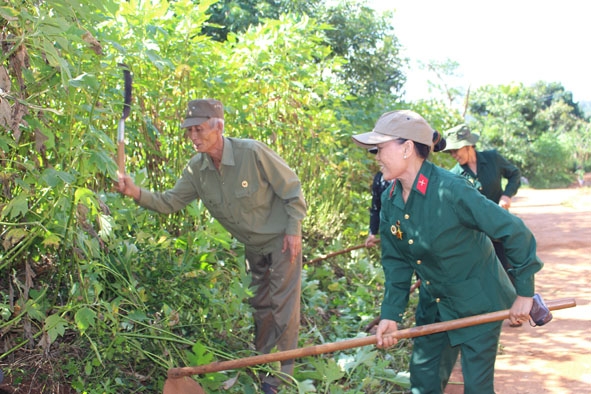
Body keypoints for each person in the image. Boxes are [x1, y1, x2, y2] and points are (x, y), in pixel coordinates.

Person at [115, 99, 307, 394]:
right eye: (189, 131)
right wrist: (134, 191)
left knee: (283, 307)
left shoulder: (251, 152)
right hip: (252, 248)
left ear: (219, 127)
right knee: (260, 307)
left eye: (199, 129)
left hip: (282, 240)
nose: (193, 136)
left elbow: (292, 189)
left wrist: (294, 231)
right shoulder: (197, 169)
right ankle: (263, 362)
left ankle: (282, 378)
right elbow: (171, 202)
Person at [351, 110, 543, 394]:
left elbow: (514, 232)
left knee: (477, 387)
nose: (376, 156)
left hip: (478, 301)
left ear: (406, 149)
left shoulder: (451, 190)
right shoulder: (389, 199)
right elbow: (396, 264)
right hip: (436, 303)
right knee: (423, 380)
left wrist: (524, 294)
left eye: (380, 148)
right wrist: (391, 315)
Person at [442, 124, 521, 273]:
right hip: (476, 237)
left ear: (468, 146)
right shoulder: (454, 176)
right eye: (450, 152)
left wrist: (507, 194)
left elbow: (515, 174)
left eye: (455, 150)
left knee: (508, 271)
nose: (453, 155)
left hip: (500, 228)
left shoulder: (493, 159)